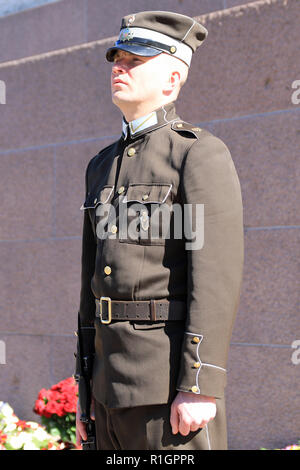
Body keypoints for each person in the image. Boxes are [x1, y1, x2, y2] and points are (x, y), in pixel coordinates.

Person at [75, 11, 244, 450]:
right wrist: (84, 389)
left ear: (172, 78)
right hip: (106, 387)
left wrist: (199, 384)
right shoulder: (100, 166)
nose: (119, 67)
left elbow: (215, 277)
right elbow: (89, 287)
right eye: (117, 58)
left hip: (165, 387)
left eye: (135, 60)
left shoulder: (197, 155)